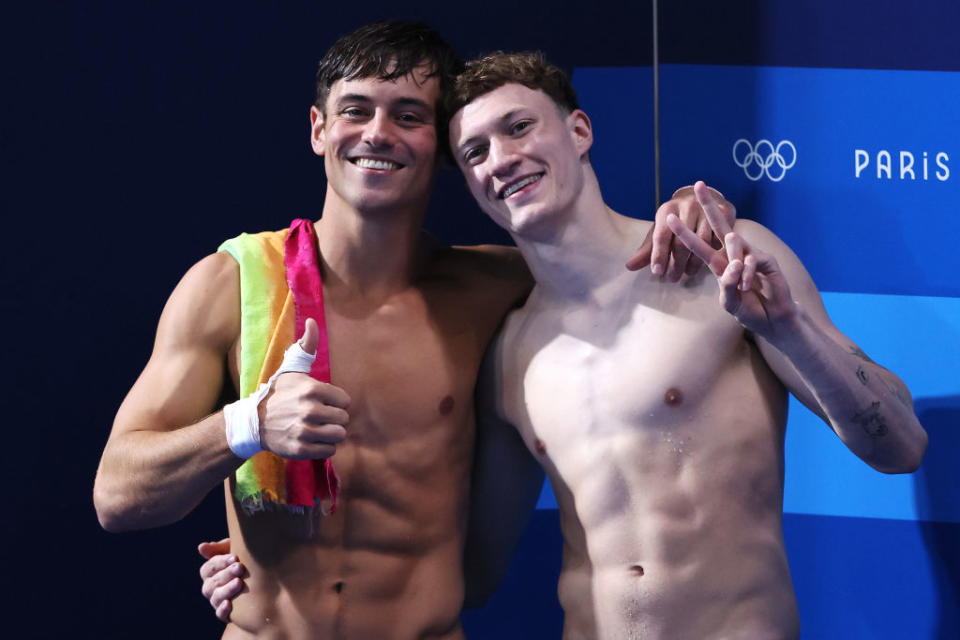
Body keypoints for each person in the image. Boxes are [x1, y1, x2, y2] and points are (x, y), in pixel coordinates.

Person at [201, 51, 928, 639]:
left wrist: (788, 329)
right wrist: (264, 569)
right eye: (476, 150)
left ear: (579, 131)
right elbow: (470, 572)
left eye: (520, 128)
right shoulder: (512, 347)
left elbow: (900, 447)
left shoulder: (720, 264)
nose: (501, 158)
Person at [94, 22, 711, 639]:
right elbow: (116, 497)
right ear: (318, 129)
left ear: (440, 145)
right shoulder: (230, 283)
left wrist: (694, 210)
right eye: (355, 111)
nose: (377, 134)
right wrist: (248, 424)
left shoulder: (491, 291)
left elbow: (612, 260)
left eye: (408, 115)